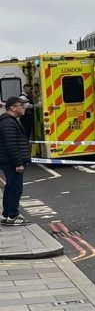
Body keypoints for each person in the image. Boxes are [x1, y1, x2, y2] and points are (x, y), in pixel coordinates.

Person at [0, 96, 32, 226]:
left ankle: (6, 215)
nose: (24, 107)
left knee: (10, 187)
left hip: (9, 161)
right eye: (21, 105)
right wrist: (18, 163)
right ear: (13, 107)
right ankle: (13, 215)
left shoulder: (10, 121)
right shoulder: (8, 122)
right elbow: (11, 144)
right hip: (11, 162)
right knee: (15, 188)